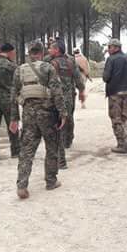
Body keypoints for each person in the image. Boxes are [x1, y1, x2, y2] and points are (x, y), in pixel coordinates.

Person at [9, 41, 67, 200]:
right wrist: (63, 113)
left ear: (29, 53)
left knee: (26, 150)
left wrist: (14, 118)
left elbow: (13, 96)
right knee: (51, 146)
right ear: (41, 53)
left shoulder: (19, 70)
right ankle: (51, 181)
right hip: (47, 114)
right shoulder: (48, 68)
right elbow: (57, 92)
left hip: (28, 114)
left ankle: (22, 185)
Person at [46, 41, 86, 169]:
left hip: (55, 96)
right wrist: (81, 91)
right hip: (69, 96)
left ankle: (62, 143)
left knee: (58, 120)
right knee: (68, 117)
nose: (48, 50)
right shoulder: (70, 61)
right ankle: (68, 139)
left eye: (50, 48)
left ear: (57, 50)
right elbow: (78, 77)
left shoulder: (50, 63)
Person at [103, 38, 127, 154]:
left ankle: (121, 144)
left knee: (116, 118)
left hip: (115, 94)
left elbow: (105, 78)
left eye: (110, 47)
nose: (108, 49)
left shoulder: (111, 59)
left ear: (116, 48)